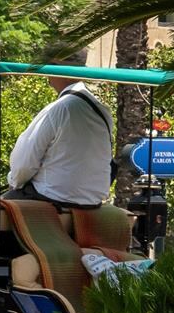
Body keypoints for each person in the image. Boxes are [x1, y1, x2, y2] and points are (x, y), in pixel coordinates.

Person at [6, 50, 115, 208]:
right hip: (92, 204)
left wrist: (14, 181)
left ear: (57, 70)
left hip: (49, 199)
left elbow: (23, 165)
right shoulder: (103, 111)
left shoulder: (58, 109)